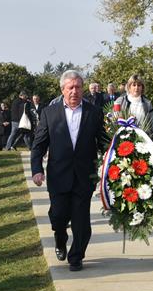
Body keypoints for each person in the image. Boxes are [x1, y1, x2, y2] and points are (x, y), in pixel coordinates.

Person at [31, 70, 107, 272]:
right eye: (70, 87)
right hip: (58, 175)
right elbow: (39, 145)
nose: (74, 91)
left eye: (78, 87)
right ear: (62, 90)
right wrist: (37, 169)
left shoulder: (94, 112)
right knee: (58, 216)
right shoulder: (49, 113)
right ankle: (60, 238)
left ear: (83, 88)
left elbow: (103, 142)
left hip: (84, 175)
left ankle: (76, 256)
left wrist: (114, 161)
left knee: (81, 220)